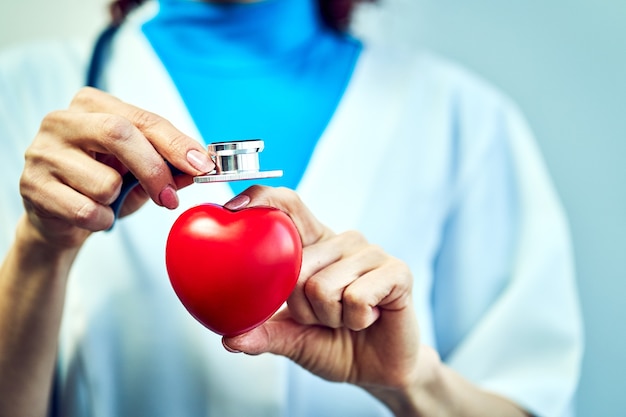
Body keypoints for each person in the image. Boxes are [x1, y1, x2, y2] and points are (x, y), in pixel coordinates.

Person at [0, 0, 583, 416]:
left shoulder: (466, 121)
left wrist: (413, 386)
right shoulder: (20, 90)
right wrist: (39, 250)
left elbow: (530, 396)